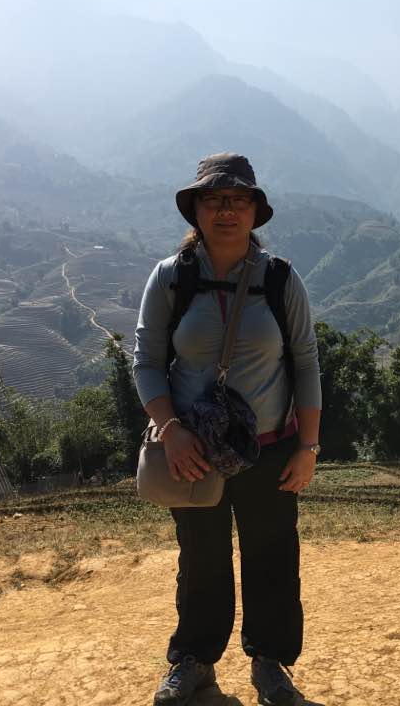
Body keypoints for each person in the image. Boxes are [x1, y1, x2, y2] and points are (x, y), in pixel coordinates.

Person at [133, 153, 322, 706]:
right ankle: (194, 662)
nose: (226, 210)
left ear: (255, 211)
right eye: (214, 200)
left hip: (270, 449)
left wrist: (308, 446)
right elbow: (146, 361)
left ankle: (271, 666)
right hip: (194, 452)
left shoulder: (280, 279)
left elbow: (307, 362)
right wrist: (170, 430)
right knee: (201, 558)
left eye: (238, 200)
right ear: (195, 210)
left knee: (272, 554)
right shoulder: (172, 278)